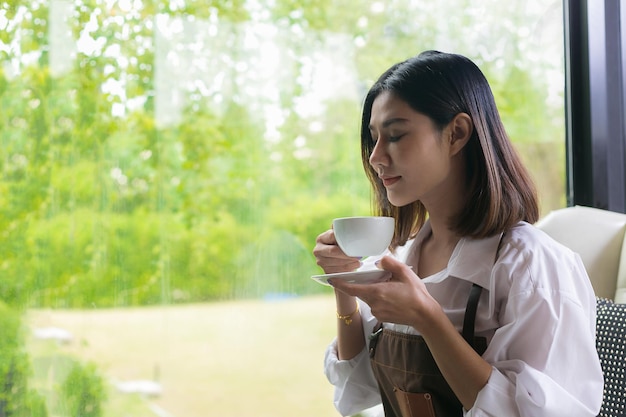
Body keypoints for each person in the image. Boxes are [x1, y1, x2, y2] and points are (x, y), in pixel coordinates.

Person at [313, 50, 603, 417]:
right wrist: (345, 285)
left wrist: (427, 319)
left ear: (457, 133)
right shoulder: (402, 257)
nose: (375, 157)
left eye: (396, 135)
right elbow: (358, 387)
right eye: (374, 140)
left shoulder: (531, 267)